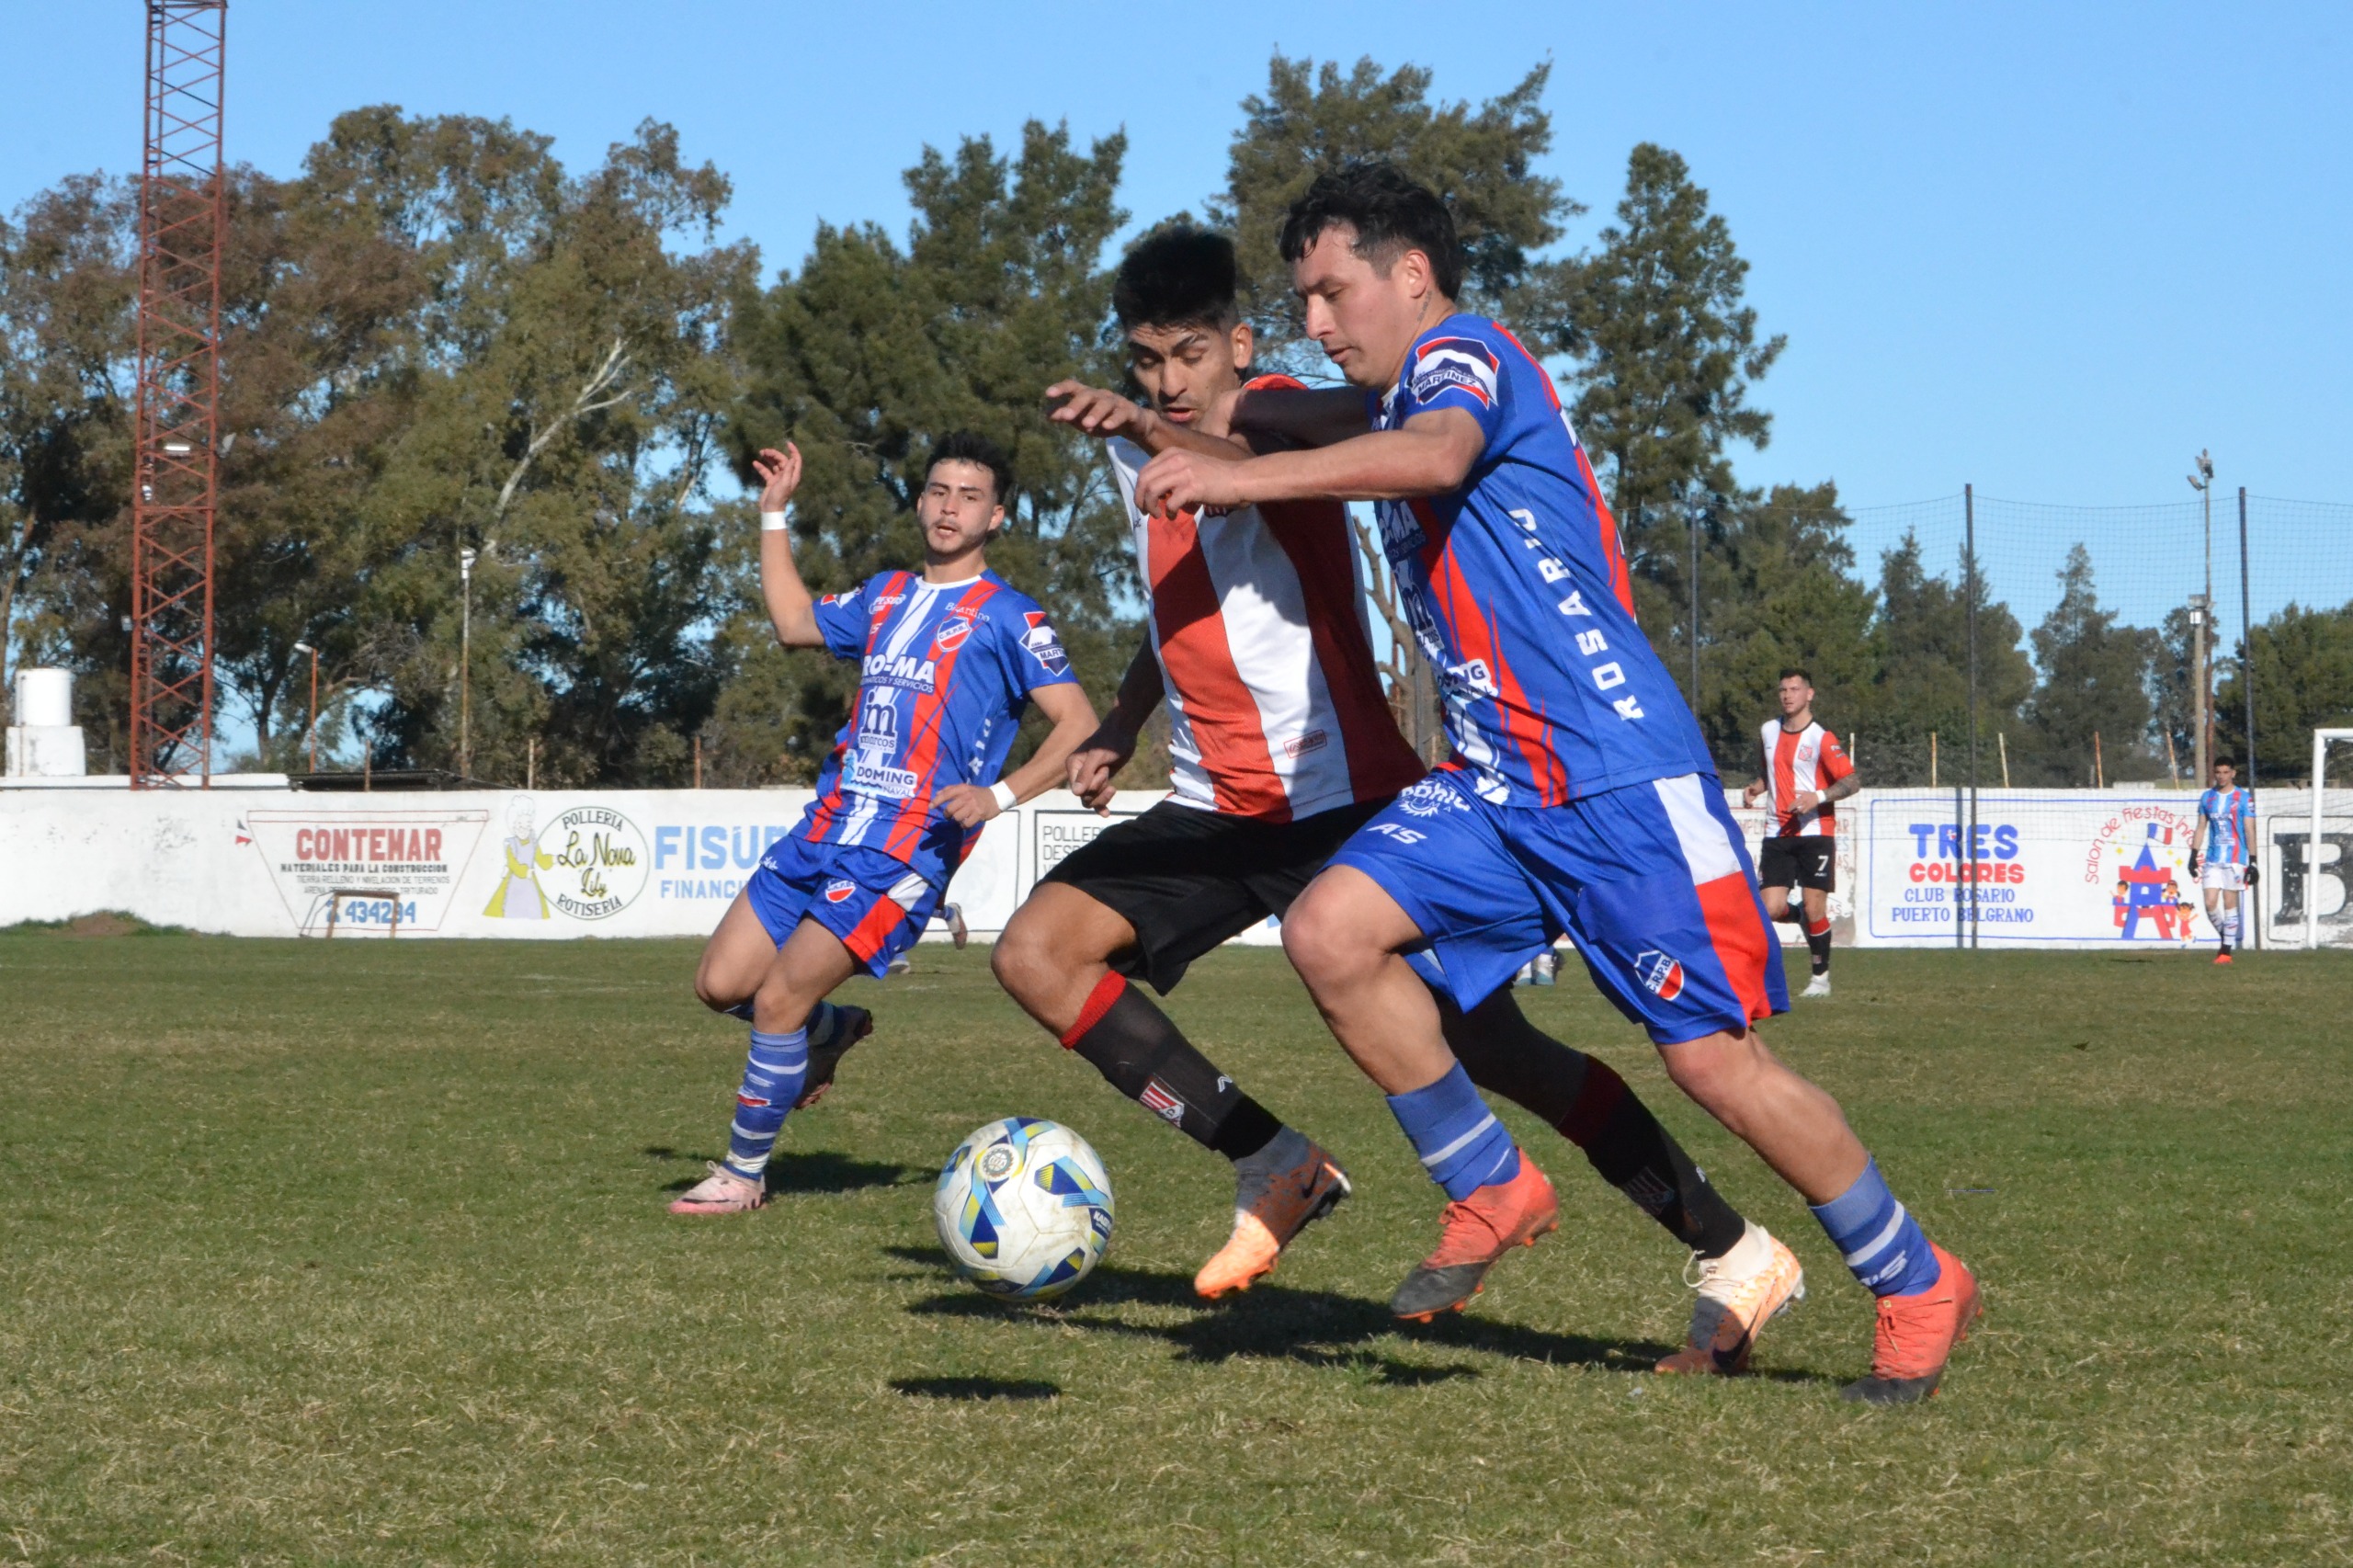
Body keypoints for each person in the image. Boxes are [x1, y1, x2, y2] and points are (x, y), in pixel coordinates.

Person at [1134, 163, 1980, 1404]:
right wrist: (1155, 425)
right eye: (1303, 301)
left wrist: (1230, 472)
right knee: (1329, 928)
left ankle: (1913, 1276)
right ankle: (1486, 1181)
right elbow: (1286, 426)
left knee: (1712, 1063)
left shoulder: (1466, 355)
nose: (1317, 324)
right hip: (1500, 781)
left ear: (1408, 275)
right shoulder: (1383, 392)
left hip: (1616, 778)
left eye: (1330, 292)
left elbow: (1429, 457)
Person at [999, 225, 1801, 1378]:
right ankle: (1272, 1158)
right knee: (1036, 953)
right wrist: (1127, 715)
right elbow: (1190, 593)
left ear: (1239, 341)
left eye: (1187, 354)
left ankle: (1731, 1248)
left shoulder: (1273, 407)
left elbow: (1348, 431)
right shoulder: (1142, 445)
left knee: (1498, 1049)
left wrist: (1166, 430)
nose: (1166, 381)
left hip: (1344, 797)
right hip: (1217, 805)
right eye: (1145, 362)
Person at [671, 434, 1097, 1214]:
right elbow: (796, 623)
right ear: (920, 501)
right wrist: (773, 518)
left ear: (996, 516)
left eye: (969, 497)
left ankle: (741, 1175)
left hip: (902, 850)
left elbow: (1077, 723)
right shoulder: (885, 595)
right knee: (720, 983)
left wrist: (998, 797)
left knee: (775, 1003)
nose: (949, 507)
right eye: (938, 491)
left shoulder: (1010, 616)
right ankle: (828, 1031)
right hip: (826, 826)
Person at [1742, 668, 1859, 997]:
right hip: (1776, 832)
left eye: (1795, 689)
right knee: (1771, 909)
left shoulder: (1821, 737)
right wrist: (1757, 787)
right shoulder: (1768, 731)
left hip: (1815, 832)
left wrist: (1816, 798)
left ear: (1810, 694)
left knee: (1814, 906)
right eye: (1783, 689)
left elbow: (1851, 781)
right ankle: (1808, 924)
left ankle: (1820, 978)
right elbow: (1771, 773)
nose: (1787, 695)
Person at [2190, 758, 2256, 964]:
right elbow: (2201, 826)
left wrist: (2253, 861)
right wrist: (2193, 854)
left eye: (2226, 772)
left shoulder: (2243, 798)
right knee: (2210, 903)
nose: (2221, 776)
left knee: (2229, 904)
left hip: (2236, 859)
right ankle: (2226, 938)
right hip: (2213, 858)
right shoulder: (2207, 798)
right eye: (2218, 772)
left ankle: (2225, 952)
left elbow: (2249, 829)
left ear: (2233, 773)